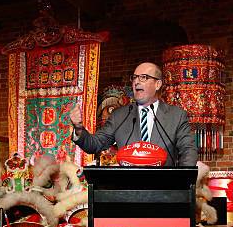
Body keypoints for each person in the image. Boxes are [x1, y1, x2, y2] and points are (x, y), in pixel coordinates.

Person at [69, 62, 198, 166]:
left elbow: (188, 151)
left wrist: (182, 184)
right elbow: (95, 144)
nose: (137, 82)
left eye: (143, 77)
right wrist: (79, 129)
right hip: (127, 191)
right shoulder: (119, 116)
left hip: (164, 191)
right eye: (135, 77)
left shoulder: (176, 116)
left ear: (157, 84)